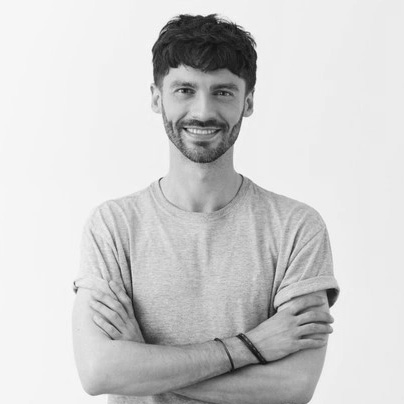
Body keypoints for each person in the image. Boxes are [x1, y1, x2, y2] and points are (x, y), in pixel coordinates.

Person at [72, 13, 340, 404]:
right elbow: (98, 371)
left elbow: (293, 386)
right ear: (156, 97)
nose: (202, 111)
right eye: (184, 90)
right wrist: (250, 346)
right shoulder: (113, 226)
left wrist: (144, 365)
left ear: (248, 101)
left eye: (223, 92)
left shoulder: (296, 228)